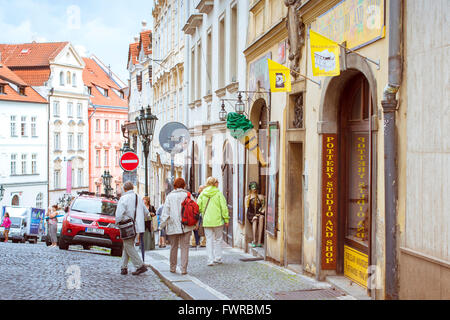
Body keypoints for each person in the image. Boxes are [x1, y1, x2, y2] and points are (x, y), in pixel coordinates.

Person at [160, 177, 196, 275]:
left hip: (172, 226)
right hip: (186, 225)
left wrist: (161, 225)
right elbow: (195, 210)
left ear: (174, 186)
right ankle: (183, 269)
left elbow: (165, 213)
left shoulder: (170, 197)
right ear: (184, 185)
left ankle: (172, 267)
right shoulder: (188, 195)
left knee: (173, 247)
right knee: (185, 247)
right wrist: (195, 223)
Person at [115, 181, 149, 275]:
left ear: (125, 189)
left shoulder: (123, 198)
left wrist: (117, 222)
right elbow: (146, 212)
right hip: (137, 226)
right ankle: (123, 267)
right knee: (127, 245)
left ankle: (140, 265)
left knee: (128, 245)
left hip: (127, 226)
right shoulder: (138, 197)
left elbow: (119, 214)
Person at [197, 177, 229, 266]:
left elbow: (198, 207)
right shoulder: (218, 193)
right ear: (215, 183)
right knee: (218, 239)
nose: (218, 183)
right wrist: (226, 219)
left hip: (207, 220)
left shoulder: (203, 194)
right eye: (217, 182)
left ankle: (210, 260)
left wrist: (203, 213)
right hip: (218, 220)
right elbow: (224, 207)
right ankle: (218, 258)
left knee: (209, 240)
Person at [245, 181, 265, 247]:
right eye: (253, 188)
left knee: (261, 218)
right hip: (251, 214)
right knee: (255, 220)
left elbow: (265, 206)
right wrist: (253, 216)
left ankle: (259, 241)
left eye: (255, 188)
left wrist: (260, 212)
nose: (254, 189)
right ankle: (254, 240)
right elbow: (247, 209)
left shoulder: (260, 197)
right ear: (250, 188)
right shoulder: (247, 197)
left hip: (259, 213)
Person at [138, 196, 156, 262]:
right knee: (143, 233)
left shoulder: (151, 207)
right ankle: (143, 246)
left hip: (149, 221)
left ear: (147, 200)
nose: (144, 201)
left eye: (145, 200)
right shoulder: (141, 207)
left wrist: (151, 213)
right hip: (143, 222)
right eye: (143, 200)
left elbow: (154, 213)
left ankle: (149, 246)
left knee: (149, 233)